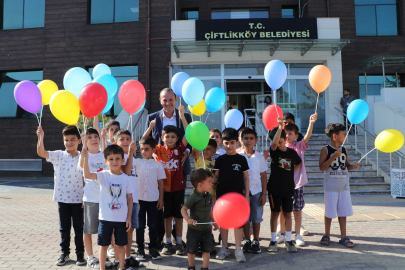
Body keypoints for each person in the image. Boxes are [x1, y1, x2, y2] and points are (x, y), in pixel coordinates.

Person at [144, 88, 192, 248]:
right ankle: (162, 239)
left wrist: (186, 150)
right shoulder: (152, 118)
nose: (168, 103)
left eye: (171, 100)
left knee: (177, 210)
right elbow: (146, 142)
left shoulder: (184, 117)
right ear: (160, 101)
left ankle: (178, 239)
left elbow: (190, 137)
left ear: (175, 100)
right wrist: (153, 155)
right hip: (159, 170)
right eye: (165, 100)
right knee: (161, 208)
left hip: (179, 168)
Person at [36, 125, 86, 266]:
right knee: (64, 228)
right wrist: (41, 137)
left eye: (72, 139)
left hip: (79, 200)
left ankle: (80, 254)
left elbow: (85, 179)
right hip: (62, 199)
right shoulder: (59, 155)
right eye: (66, 140)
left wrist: (85, 197)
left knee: (79, 228)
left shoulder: (83, 157)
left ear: (79, 141)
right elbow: (42, 153)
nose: (69, 143)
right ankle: (64, 253)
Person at [82, 145, 135, 270]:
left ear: (123, 160)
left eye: (117, 159)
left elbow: (130, 199)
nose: (114, 162)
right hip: (105, 219)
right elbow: (88, 175)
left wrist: (129, 218)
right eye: (111, 159)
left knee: (120, 245)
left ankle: (121, 267)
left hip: (121, 219)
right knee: (103, 245)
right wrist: (85, 159)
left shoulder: (126, 179)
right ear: (105, 161)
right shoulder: (103, 175)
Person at [277, 113, 317, 247]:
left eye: (291, 134)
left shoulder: (299, 146)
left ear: (296, 135)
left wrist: (311, 122)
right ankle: (282, 234)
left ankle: (298, 235)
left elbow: (307, 137)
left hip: (297, 184)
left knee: (297, 210)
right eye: (286, 133)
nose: (288, 136)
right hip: (283, 184)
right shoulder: (281, 148)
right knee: (282, 211)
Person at [124, 137, 166, 261]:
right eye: (141, 149)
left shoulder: (158, 165)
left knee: (153, 225)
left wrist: (161, 199)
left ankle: (153, 248)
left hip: (153, 199)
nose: (143, 152)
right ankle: (140, 249)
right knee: (140, 226)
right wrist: (131, 151)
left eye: (147, 149)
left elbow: (161, 183)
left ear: (153, 150)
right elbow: (128, 163)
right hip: (139, 200)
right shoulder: (136, 162)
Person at [319, 123, 359, 248]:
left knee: (343, 212)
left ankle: (343, 236)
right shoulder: (325, 149)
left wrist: (353, 166)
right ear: (335, 136)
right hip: (331, 187)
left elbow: (346, 166)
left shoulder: (345, 150)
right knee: (329, 212)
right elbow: (322, 167)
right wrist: (333, 157)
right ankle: (327, 234)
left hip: (344, 187)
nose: (345, 136)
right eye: (343, 134)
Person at [77, 128, 112, 269]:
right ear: (86, 140)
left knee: (108, 229)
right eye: (89, 137)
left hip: (106, 198)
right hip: (90, 199)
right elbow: (80, 166)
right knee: (88, 229)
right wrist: (83, 150)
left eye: (96, 136)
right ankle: (90, 257)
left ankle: (107, 255)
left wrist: (104, 139)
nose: (93, 139)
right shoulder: (84, 155)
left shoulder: (104, 155)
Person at [213, 128, 249, 262]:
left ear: (237, 143)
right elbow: (216, 177)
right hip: (222, 197)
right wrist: (210, 181)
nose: (229, 146)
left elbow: (246, 178)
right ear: (222, 142)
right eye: (226, 143)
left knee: (238, 223)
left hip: (238, 197)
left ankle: (238, 249)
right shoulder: (220, 160)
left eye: (232, 143)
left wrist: (246, 196)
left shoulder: (242, 159)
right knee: (224, 223)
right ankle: (225, 248)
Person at [267, 117, 301, 253]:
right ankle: (273, 240)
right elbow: (274, 145)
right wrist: (280, 127)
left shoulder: (292, 153)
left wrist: (291, 171)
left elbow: (298, 163)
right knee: (274, 213)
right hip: (274, 188)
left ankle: (288, 240)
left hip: (288, 188)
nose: (279, 144)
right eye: (277, 142)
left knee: (288, 213)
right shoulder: (274, 152)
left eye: (281, 142)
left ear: (285, 140)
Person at [114, 129, 141, 268]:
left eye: (127, 138)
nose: (125, 141)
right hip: (122, 200)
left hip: (133, 199)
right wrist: (130, 153)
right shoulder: (119, 157)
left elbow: (135, 180)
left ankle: (128, 256)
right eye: (122, 139)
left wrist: (137, 200)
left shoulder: (134, 158)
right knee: (119, 230)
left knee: (130, 229)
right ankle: (119, 259)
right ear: (116, 142)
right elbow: (126, 172)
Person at [181, 169, 218, 270]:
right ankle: (191, 267)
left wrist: (214, 222)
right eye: (209, 182)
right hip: (194, 230)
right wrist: (188, 219)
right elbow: (183, 209)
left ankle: (205, 268)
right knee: (191, 250)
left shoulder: (209, 196)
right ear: (200, 185)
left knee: (207, 250)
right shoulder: (193, 197)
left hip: (206, 229)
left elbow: (210, 210)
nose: (212, 183)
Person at [239, 128, 267, 254]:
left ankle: (256, 239)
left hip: (257, 191)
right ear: (241, 140)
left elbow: (263, 176)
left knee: (256, 216)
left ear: (255, 140)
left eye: (251, 138)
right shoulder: (238, 156)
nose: (248, 141)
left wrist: (264, 194)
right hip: (242, 192)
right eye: (246, 138)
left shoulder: (259, 157)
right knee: (245, 217)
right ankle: (246, 240)